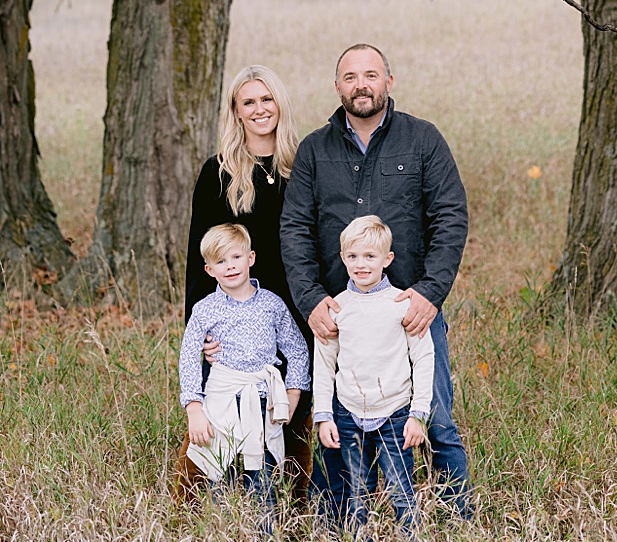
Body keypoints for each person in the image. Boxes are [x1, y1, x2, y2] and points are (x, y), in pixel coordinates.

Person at [281, 43, 472, 518]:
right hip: (340, 314)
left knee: (438, 419)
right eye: (350, 76)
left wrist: (430, 293)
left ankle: (458, 519)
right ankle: (338, 522)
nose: (360, 85)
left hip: (411, 312)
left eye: (371, 75)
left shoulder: (422, 139)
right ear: (337, 85)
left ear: (390, 81)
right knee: (336, 422)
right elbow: (295, 229)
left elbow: (451, 217)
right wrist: (311, 301)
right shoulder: (314, 150)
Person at [177, 64, 312, 504]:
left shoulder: (306, 167)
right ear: (236, 111)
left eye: (267, 99)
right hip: (235, 316)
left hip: (295, 311)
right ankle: (192, 511)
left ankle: (291, 513)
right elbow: (201, 265)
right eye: (248, 102)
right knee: (218, 423)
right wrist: (201, 336)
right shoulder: (216, 174)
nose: (259, 109)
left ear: (280, 104)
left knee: (290, 417)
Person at [179, 224, 310, 530]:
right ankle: (225, 530)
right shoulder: (205, 310)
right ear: (210, 270)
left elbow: (297, 348)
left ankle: (264, 532)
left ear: (251, 257)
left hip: (262, 400)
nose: (230, 266)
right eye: (221, 262)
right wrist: (194, 409)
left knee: (262, 475)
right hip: (221, 400)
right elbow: (187, 359)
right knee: (219, 473)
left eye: (236, 257)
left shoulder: (272, 304)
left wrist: (292, 394)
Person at [313, 215, 434, 533]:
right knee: (357, 493)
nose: (361, 264)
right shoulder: (337, 307)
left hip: (395, 414)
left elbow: (424, 358)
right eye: (352, 256)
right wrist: (324, 415)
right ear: (342, 259)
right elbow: (324, 364)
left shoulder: (401, 304)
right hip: (349, 413)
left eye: (370, 256)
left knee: (400, 491)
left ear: (387, 259)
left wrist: (418, 414)